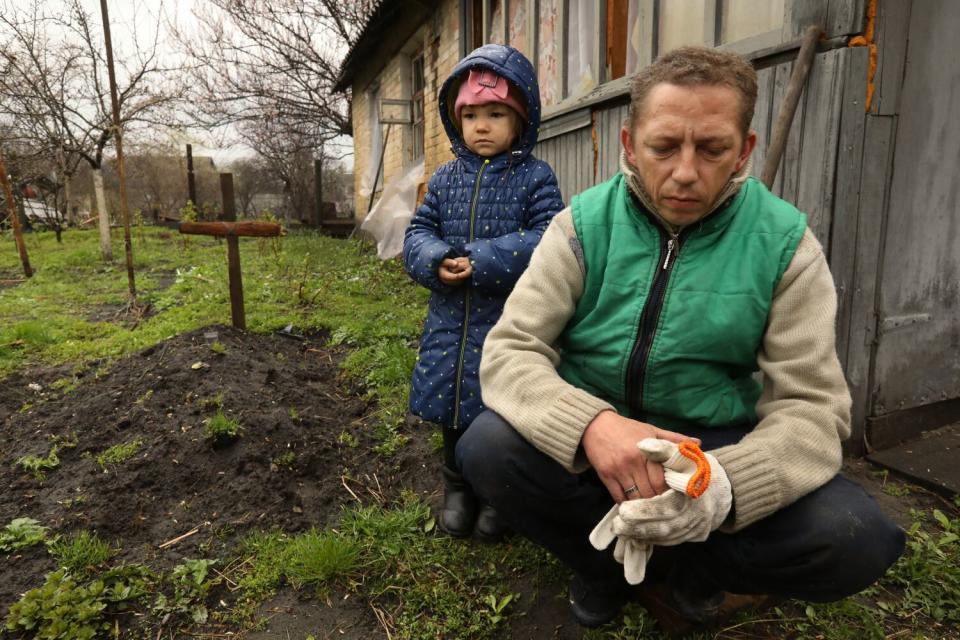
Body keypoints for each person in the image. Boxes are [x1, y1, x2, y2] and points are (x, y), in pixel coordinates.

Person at [456, 46, 906, 629]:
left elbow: (814, 410)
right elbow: (511, 350)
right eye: (663, 147)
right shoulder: (582, 226)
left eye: (713, 148)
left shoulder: (786, 246)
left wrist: (722, 486)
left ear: (744, 149)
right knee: (485, 447)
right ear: (629, 146)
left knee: (856, 539)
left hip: (712, 445)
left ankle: (700, 568)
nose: (687, 172)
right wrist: (592, 425)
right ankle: (602, 567)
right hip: (601, 432)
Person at [403, 44, 564, 540]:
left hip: (510, 321)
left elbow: (548, 238)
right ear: (457, 122)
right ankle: (457, 487)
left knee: (502, 407)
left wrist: (482, 259)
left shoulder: (535, 178)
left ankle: (497, 495)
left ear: (522, 119)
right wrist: (434, 259)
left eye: (496, 113)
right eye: (470, 115)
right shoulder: (446, 179)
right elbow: (417, 233)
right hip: (450, 322)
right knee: (450, 405)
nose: (482, 126)